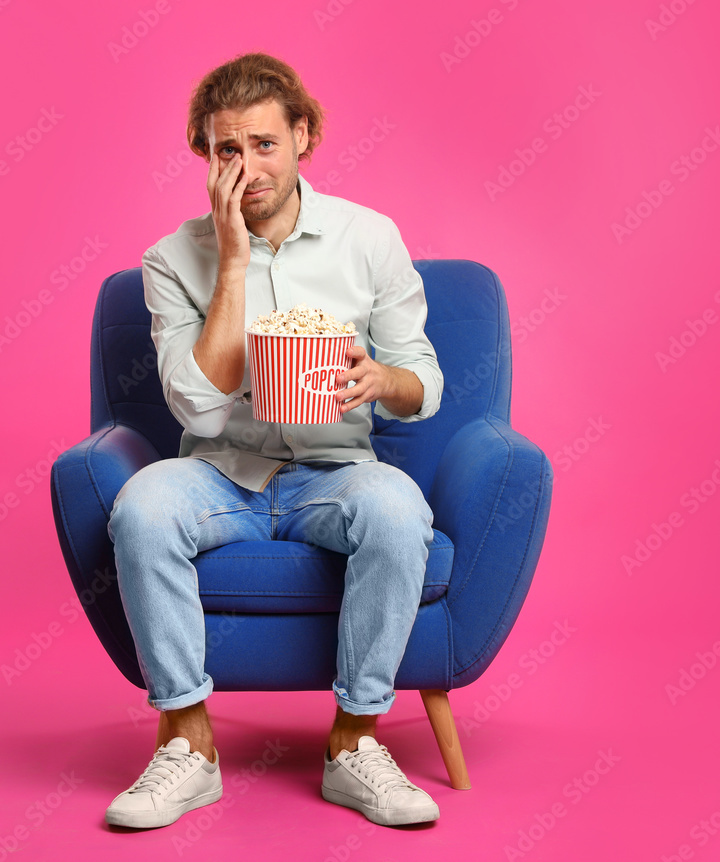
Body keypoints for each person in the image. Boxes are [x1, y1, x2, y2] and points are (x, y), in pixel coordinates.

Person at [105, 52, 444, 830]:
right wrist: (232, 260)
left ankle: (355, 740)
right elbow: (199, 411)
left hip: (336, 468)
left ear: (303, 136)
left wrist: (380, 378)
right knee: (141, 508)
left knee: (397, 510)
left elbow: (424, 385)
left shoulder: (369, 237)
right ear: (204, 153)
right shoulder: (171, 259)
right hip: (220, 472)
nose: (248, 168)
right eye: (228, 149)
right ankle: (188, 745)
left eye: (264, 144)